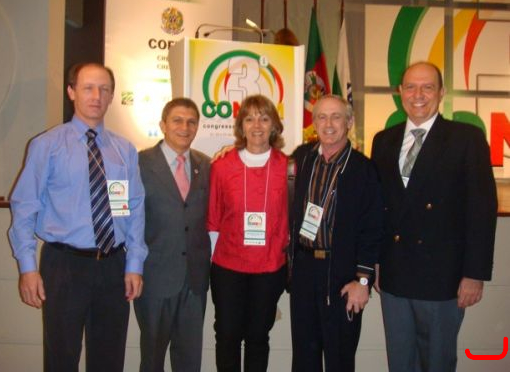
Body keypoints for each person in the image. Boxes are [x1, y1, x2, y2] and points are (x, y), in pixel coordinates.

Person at [8, 62, 147, 372]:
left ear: (112, 96)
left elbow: (134, 208)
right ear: (71, 92)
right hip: (64, 266)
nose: (96, 96)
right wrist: (27, 268)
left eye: (104, 89)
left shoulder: (124, 150)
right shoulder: (47, 145)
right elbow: (24, 207)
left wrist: (134, 264)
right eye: (88, 88)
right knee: (61, 358)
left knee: (109, 360)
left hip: (113, 266)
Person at [371, 61, 497, 372]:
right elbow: (379, 209)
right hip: (395, 274)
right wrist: (376, 262)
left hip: (443, 277)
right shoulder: (383, 141)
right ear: (400, 92)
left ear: (441, 92)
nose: (418, 95)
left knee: (438, 363)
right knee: (400, 363)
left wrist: (475, 274)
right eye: (411, 87)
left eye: (427, 87)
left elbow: (481, 211)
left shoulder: (466, 139)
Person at [289, 94, 383, 372]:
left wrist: (363, 281)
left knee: (339, 358)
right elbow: (263, 160)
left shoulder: (363, 169)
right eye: (322, 117)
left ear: (349, 122)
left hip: (343, 275)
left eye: (336, 117)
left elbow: (373, 229)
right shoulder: (301, 159)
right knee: (304, 357)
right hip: (305, 270)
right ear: (314, 123)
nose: (328, 124)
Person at [208, 94, 288, 372]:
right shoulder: (221, 166)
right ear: (241, 126)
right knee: (227, 335)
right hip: (228, 268)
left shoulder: (288, 167)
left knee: (258, 337)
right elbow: (213, 219)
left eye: (264, 119)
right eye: (250, 119)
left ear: (274, 125)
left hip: (269, 268)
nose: (257, 125)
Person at [134, 97, 211, 372]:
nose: (184, 127)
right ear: (163, 125)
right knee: (152, 360)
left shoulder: (207, 165)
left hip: (195, 281)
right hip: (155, 279)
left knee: (189, 361)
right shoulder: (139, 163)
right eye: (177, 120)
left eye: (191, 122)